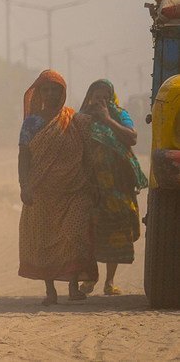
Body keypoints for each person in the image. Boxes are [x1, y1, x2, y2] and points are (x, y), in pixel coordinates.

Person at [17, 69, 98, 305]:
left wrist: (94, 184)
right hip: (41, 191)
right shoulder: (31, 123)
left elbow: (87, 155)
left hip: (75, 190)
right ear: (39, 92)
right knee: (44, 239)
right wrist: (24, 186)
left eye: (56, 90)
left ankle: (73, 286)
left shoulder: (74, 120)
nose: (51, 94)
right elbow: (24, 156)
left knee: (74, 236)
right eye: (46, 89)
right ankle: (50, 291)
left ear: (63, 92)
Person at [78, 79, 147, 296]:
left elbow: (133, 137)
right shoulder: (81, 118)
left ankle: (109, 281)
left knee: (115, 232)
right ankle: (90, 279)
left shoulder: (120, 115)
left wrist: (107, 119)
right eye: (97, 96)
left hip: (117, 186)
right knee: (90, 233)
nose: (101, 100)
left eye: (106, 96)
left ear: (112, 98)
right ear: (90, 96)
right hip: (91, 185)